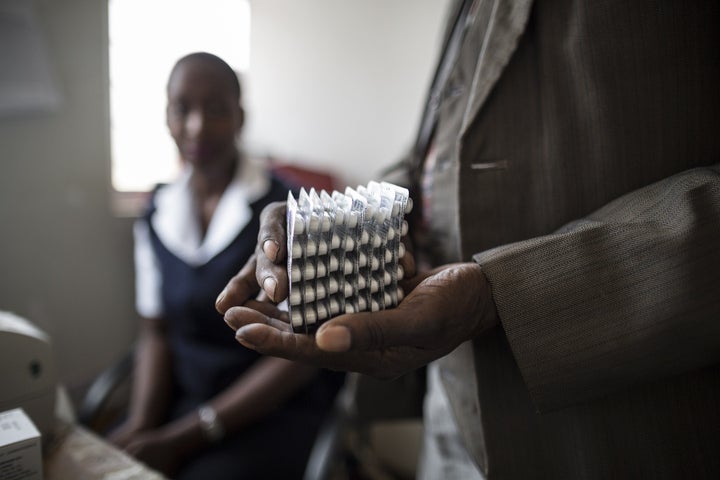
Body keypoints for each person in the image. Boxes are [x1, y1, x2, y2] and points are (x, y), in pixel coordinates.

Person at [215, 1, 720, 479]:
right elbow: (435, 151)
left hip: (614, 426)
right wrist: (355, 223)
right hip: (449, 402)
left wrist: (501, 293)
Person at [109, 52, 343, 479]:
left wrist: (182, 439)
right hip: (184, 401)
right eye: (183, 109)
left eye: (215, 109)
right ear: (167, 118)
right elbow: (156, 332)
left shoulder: (290, 211)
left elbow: (302, 354)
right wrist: (142, 423)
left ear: (239, 118)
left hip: (270, 411)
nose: (197, 125)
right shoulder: (156, 213)